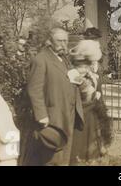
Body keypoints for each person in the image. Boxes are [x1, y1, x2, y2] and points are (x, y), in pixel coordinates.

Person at [23, 28, 84, 166]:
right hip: (52, 117)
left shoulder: (64, 59)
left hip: (67, 115)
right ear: (49, 41)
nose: (64, 44)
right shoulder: (41, 60)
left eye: (66, 41)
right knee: (51, 158)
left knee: (64, 155)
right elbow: (34, 89)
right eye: (60, 41)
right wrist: (41, 115)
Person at [69, 40, 113, 164]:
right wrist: (92, 93)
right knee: (79, 150)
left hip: (92, 117)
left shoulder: (91, 76)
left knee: (93, 150)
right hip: (79, 119)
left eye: (86, 65)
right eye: (81, 65)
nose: (84, 68)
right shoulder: (73, 76)